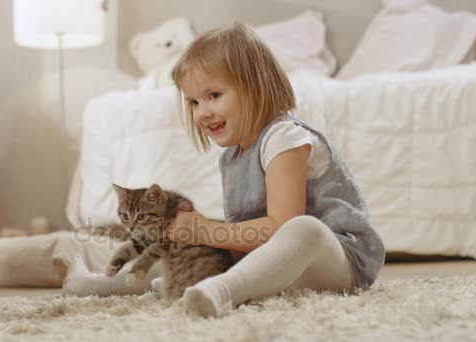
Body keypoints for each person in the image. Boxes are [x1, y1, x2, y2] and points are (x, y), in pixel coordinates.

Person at [63, 22, 385, 318]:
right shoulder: (231, 157)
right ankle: (94, 286)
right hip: (282, 265)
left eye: (213, 95)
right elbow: (247, 233)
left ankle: (222, 290)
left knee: (304, 228)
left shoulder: (284, 138)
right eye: (193, 103)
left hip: (339, 260)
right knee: (185, 250)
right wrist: (197, 237)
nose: (203, 112)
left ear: (256, 85)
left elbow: (281, 227)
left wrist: (206, 229)